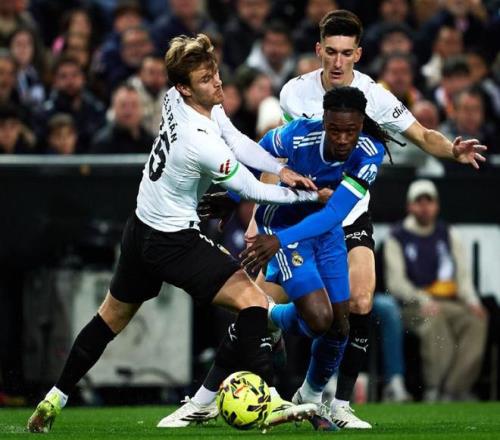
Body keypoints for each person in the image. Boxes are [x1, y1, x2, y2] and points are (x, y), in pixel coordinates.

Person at [27, 33, 321, 434]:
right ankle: (267, 397)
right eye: (206, 79)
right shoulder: (198, 142)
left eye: (215, 74)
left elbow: (236, 139)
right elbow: (251, 190)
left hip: (140, 228)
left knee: (109, 319)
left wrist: (280, 168)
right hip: (172, 239)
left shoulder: (176, 100)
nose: (217, 83)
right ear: (185, 87)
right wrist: (306, 194)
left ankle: (54, 398)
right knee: (254, 302)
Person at [276, 9, 486, 429]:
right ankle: (246, 386)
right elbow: (287, 152)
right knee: (297, 309)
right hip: (305, 213)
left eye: (346, 53)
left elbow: (422, 135)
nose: (338, 62)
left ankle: (336, 403)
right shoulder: (294, 94)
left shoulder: (376, 96)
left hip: (350, 211)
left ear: (358, 53)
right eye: (330, 52)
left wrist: (452, 150)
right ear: (319, 50)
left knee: (361, 302)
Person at [161, 86, 392, 430]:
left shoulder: (370, 152)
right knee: (319, 319)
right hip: (283, 226)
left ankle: (309, 397)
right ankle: (268, 319)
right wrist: (234, 196)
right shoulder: (298, 135)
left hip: (324, 231)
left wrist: (276, 239)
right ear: (324, 121)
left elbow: (333, 215)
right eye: (335, 129)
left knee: (341, 324)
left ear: (361, 124)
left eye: (351, 130)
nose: (343, 139)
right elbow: (258, 151)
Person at [383, 179, 488, 401]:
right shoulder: (397, 236)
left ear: (436, 205)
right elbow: (396, 282)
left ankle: (453, 389)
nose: (424, 207)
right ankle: (434, 388)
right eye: (419, 202)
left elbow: (463, 275)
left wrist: (473, 301)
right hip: (412, 306)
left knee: (477, 321)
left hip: (449, 300)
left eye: (429, 201)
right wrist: (422, 298)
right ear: (410, 206)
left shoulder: (447, 233)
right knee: (435, 320)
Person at [90, 84, 154, 154]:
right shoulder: (102, 144)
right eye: (123, 105)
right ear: (114, 108)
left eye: (134, 105)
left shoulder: (152, 143)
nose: (128, 111)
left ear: (141, 109)